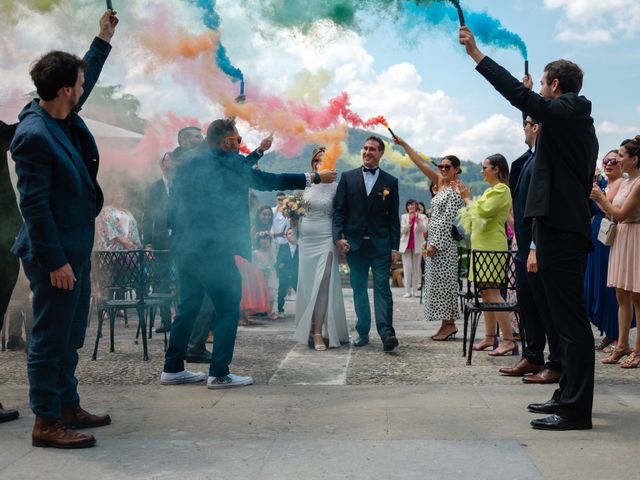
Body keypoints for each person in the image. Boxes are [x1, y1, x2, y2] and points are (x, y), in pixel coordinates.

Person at [460, 26, 598, 431]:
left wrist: (477, 55)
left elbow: (526, 100)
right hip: (560, 230)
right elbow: (533, 109)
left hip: (562, 232)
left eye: (542, 85)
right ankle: (566, 394)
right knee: (561, 321)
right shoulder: (566, 116)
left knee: (571, 325)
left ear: (555, 86)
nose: (538, 90)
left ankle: (575, 410)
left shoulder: (571, 112)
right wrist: (531, 100)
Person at [160, 118, 335, 388]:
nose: (240, 145)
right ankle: (219, 373)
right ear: (226, 141)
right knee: (229, 307)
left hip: (185, 249)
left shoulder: (187, 165)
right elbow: (269, 180)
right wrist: (313, 178)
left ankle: (172, 368)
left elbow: (170, 209)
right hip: (215, 249)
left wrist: (258, 152)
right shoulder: (229, 163)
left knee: (187, 307)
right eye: (238, 140)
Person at [10, 11, 118, 448]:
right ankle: (46, 422)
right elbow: (33, 207)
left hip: (75, 247)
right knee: (50, 338)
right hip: (53, 254)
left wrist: (102, 40)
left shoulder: (62, 113)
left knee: (71, 334)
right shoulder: (34, 135)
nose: (81, 88)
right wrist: (56, 261)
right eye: (77, 83)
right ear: (63, 91)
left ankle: (67, 403)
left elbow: (84, 81)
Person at [498, 116, 562, 384]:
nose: (522, 128)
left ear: (535, 127)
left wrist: (535, 245)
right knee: (528, 305)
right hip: (523, 247)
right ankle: (533, 355)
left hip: (538, 247)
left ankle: (557, 363)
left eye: (525, 123)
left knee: (548, 308)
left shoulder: (546, 160)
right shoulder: (526, 159)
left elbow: (541, 207)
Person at [333, 136, 400, 352]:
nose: (367, 152)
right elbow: (339, 211)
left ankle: (387, 334)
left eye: (372, 149)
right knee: (359, 289)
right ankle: (362, 331)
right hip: (355, 246)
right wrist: (338, 237)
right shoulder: (348, 177)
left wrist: (394, 247)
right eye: (365, 148)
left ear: (381, 153)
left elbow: (393, 218)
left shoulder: (391, 182)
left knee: (383, 289)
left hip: (381, 246)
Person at [394, 137, 464, 341]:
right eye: (441, 165)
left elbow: (447, 219)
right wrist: (404, 144)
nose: (442, 169)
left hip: (443, 244)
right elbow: (419, 162)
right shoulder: (440, 184)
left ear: (456, 169)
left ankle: (449, 325)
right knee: (437, 284)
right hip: (436, 240)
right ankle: (446, 324)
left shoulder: (454, 190)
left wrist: (435, 243)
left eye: (447, 166)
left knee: (444, 284)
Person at [590, 136, 640, 368]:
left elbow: (620, 214)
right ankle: (622, 345)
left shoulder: (638, 184)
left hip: (634, 237)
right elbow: (614, 214)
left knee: (637, 298)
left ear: (635, 159)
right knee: (621, 295)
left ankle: (638, 350)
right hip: (621, 237)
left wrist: (600, 198)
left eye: (621, 155)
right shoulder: (628, 182)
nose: (618, 159)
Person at [458, 154, 515, 355]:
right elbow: (475, 213)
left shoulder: (501, 190)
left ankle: (508, 339)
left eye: (485, 167)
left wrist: (466, 198)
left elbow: (481, 212)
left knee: (493, 292)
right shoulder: (491, 191)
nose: (481, 171)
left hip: (492, 246)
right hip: (481, 246)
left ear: (496, 169)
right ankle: (490, 336)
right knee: (484, 292)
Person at [295, 147, 349, 350]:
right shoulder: (303, 186)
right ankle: (308, 327)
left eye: (324, 161)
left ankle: (318, 331)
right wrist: (292, 226)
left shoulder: (336, 188)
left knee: (323, 284)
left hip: (326, 236)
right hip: (306, 238)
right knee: (308, 284)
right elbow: (296, 213)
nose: (320, 164)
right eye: (317, 161)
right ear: (313, 164)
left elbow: (341, 216)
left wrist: (341, 239)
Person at [585, 150, 624, 350]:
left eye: (613, 161)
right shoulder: (602, 185)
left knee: (611, 287)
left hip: (610, 237)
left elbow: (612, 210)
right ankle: (609, 331)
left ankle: (617, 335)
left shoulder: (621, 185)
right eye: (606, 161)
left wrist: (600, 197)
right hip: (596, 236)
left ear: (622, 164)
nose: (608, 164)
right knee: (597, 284)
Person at [399, 199, 427, 298]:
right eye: (409, 205)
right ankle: (407, 291)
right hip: (406, 246)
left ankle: (415, 291)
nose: (410, 207)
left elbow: (424, 229)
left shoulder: (422, 216)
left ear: (416, 207)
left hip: (417, 245)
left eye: (412, 205)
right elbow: (402, 231)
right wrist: (409, 222)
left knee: (415, 268)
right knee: (407, 268)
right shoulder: (404, 216)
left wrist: (418, 221)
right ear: (407, 207)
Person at [252, 231, 279, 320]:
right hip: (259, 274)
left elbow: (274, 262)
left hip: (270, 273)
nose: (265, 241)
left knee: (271, 293)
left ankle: (270, 312)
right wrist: (261, 270)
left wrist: (271, 251)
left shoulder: (270, 252)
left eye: (267, 239)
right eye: (263, 239)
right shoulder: (255, 253)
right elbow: (254, 265)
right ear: (259, 241)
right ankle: (258, 309)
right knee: (261, 292)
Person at [276, 228, 299, 316]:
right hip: (285, 273)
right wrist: (280, 266)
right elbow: (279, 258)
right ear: (286, 236)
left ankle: (302, 309)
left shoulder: (300, 247)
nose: (291, 235)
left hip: (296, 274)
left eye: (293, 233)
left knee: (300, 292)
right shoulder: (283, 246)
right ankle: (280, 309)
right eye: (289, 233)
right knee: (281, 292)